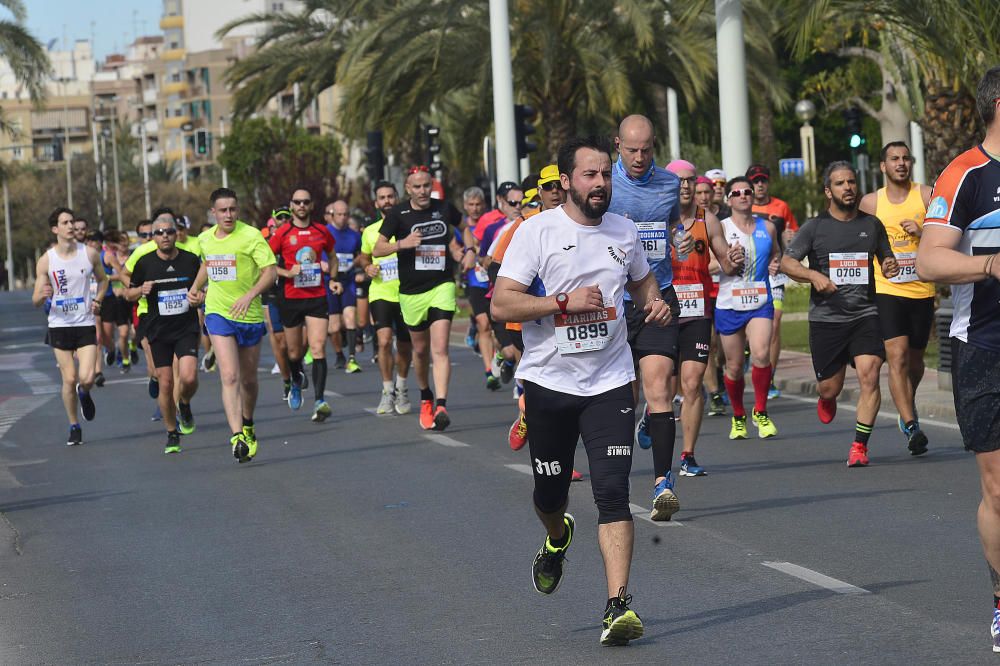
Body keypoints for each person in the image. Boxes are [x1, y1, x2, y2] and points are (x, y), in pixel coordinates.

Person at [492, 135, 672, 647]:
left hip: (611, 383)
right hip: (549, 384)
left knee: (613, 493)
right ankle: (556, 536)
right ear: (566, 181)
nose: (600, 184)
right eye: (590, 175)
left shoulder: (624, 230)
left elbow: (642, 284)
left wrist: (655, 302)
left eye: (605, 175)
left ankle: (618, 605)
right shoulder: (536, 232)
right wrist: (562, 302)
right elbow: (502, 306)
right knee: (549, 496)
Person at [915, 66, 1000, 653]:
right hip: (986, 347)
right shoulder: (964, 174)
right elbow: (929, 262)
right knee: (999, 488)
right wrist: (991, 266)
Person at [781, 161, 898, 466]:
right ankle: (827, 397)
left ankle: (859, 446)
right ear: (827, 191)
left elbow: (886, 256)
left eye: (851, 182)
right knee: (830, 386)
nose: (848, 187)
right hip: (827, 319)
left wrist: (889, 264)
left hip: (864, 314)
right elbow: (787, 263)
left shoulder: (871, 225)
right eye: (840, 183)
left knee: (870, 375)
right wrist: (814, 276)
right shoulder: (815, 227)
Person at [608, 115, 685, 521]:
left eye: (647, 149)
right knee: (625, 395)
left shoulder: (670, 183)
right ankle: (615, 480)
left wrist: (679, 237)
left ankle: (662, 485)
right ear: (617, 144)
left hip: (658, 297)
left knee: (659, 386)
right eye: (632, 149)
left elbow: (671, 224)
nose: (639, 158)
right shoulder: (604, 185)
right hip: (614, 301)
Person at [374, 166, 475, 430]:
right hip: (411, 292)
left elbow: (465, 228)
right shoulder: (398, 214)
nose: (422, 191)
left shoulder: (443, 208)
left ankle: (441, 404)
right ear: (408, 189)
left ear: (432, 186)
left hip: (441, 284)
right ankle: (425, 395)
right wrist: (402, 244)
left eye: (426, 186)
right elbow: (377, 248)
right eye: (416, 187)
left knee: (440, 348)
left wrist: (470, 250)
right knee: (420, 350)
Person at [189, 187, 277, 462]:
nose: (228, 215)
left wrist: (250, 295)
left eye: (232, 209)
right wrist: (194, 289)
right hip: (218, 313)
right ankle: (237, 435)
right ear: (213, 212)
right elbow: (207, 264)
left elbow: (270, 272)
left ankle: (248, 422)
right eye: (223, 210)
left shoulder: (251, 236)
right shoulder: (204, 239)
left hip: (249, 316)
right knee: (229, 375)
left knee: (249, 380)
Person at [858, 142, 933, 455]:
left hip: (922, 289)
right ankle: (911, 425)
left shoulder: (927, 195)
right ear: (883, 166)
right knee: (898, 357)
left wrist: (922, 230)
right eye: (894, 159)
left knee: (915, 362)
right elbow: (856, 242)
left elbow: (948, 235)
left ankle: (907, 402)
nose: (901, 164)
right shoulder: (871, 202)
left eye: (905, 158)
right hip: (887, 290)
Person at [665, 162, 726, 476]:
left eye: (690, 180)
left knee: (692, 384)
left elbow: (726, 259)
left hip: (697, 312)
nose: (686, 186)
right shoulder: (658, 220)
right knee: (663, 386)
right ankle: (651, 416)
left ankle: (688, 455)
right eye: (679, 181)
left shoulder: (708, 220)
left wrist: (735, 259)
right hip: (663, 311)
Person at [125, 214, 201, 453]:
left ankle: (185, 403)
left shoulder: (190, 260)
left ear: (176, 234)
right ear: (153, 237)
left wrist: (200, 298)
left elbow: (204, 289)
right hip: (158, 329)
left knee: (188, 377)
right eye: (159, 233)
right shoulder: (145, 263)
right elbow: (128, 295)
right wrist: (140, 289)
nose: (165, 236)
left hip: (186, 327)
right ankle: (171, 432)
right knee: (166, 382)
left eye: (169, 231)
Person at [32, 207, 108, 445]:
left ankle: (84, 392)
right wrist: (43, 295)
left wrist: (98, 301)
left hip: (85, 322)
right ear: (55, 229)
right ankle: (74, 425)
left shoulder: (90, 254)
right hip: (59, 325)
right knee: (69, 378)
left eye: (72, 222)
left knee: (86, 378)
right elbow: (35, 299)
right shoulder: (47, 260)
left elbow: (104, 280)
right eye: (65, 222)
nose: (71, 226)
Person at [715, 177, 781, 440]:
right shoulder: (720, 227)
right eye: (737, 192)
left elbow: (776, 253)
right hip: (729, 303)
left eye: (747, 192)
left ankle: (761, 412)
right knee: (733, 366)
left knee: (762, 354)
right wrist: (726, 261)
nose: (743, 196)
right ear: (728, 199)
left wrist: (777, 262)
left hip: (759, 302)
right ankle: (739, 416)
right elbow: (708, 264)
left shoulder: (769, 227)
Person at [270, 188, 337, 421]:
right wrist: (288, 272)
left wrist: (333, 276)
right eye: (297, 202)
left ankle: (319, 401)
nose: (301, 205)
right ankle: (295, 382)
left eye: (305, 202)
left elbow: (333, 256)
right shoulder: (282, 233)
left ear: (311, 205)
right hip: (290, 298)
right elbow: (267, 265)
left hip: (317, 296)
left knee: (318, 347)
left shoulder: (321, 231)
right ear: (291, 205)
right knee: (294, 351)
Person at [360, 181, 413, 414]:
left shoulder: (407, 225)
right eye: (382, 198)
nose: (387, 201)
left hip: (406, 291)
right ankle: (387, 390)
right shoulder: (370, 231)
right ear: (376, 203)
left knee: (404, 345)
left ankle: (401, 386)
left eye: (390, 196)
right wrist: (367, 268)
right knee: (383, 341)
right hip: (380, 292)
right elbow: (363, 257)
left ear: (397, 197)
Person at [747, 164, 799, 399]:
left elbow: (793, 237)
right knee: (749, 329)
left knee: (775, 323)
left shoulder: (781, 207)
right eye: (755, 181)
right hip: (748, 276)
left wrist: (790, 240)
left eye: (763, 180)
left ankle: (770, 377)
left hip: (774, 275)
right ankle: (755, 357)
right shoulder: (742, 205)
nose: (760, 185)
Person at [461, 186, 501, 389]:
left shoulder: (492, 224)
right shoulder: (461, 228)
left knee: (497, 324)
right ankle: (489, 371)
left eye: (478, 205)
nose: (475, 209)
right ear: (465, 206)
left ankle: (499, 357)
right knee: (483, 323)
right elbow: (454, 249)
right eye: (471, 205)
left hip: (494, 281)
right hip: (475, 281)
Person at [324, 200, 363, 373]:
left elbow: (363, 254)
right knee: (334, 326)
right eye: (339, 214)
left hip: (348, 280)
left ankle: (352, 357)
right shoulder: (324, 232)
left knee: (349, 316)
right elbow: (313, 253)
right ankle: (339, 354)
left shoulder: (354, 235)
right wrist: (321, 264)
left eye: (346, 214)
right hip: (329, 281)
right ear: (332, 215)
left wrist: (355, 263)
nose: (343, 217)